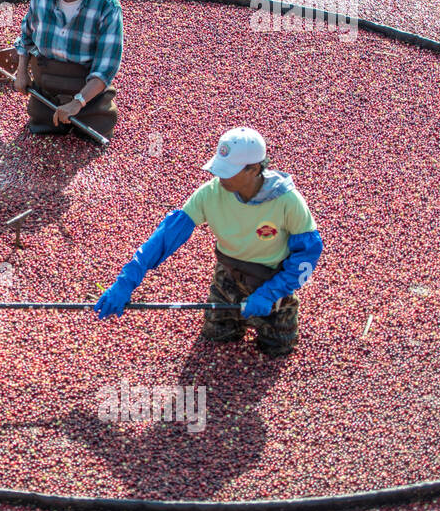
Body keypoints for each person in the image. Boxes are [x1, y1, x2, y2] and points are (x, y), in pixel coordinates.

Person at [93, 127, 323, 356]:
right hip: (228, 278)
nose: (220, 177)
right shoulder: (210, 194)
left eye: (229, 171)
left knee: (277, 350)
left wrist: (271, 292)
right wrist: (126, 280)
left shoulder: (287, 201)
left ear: (253, 169)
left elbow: (308, 253)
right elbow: (165, 237)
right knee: (216, 339)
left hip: (273, 279)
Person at [13, 0, 124, 139]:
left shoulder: (106, 7)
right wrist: (22, 72)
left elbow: (106, 67)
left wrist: (78, 102)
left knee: (95, 132)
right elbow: (26, 38)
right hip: (46, 87)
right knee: (41, 128)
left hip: (87, 92)